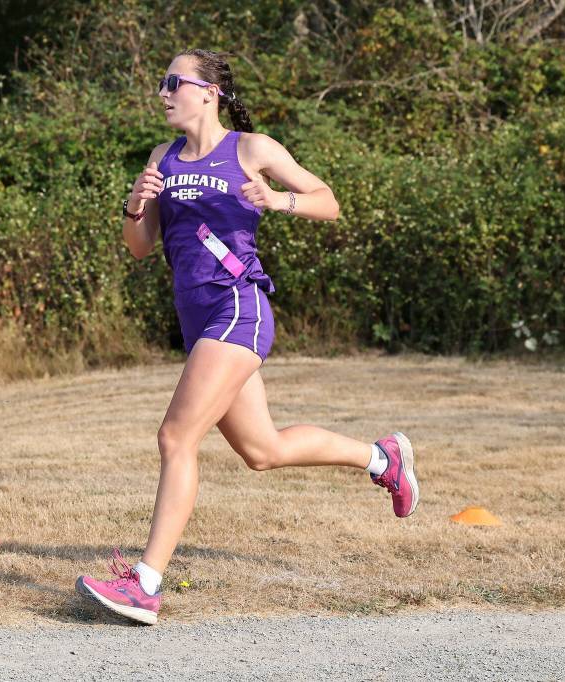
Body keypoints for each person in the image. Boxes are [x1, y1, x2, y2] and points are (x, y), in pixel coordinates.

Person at [75, 49, 419, 625]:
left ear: (208, 92)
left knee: (175, 437)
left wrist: (277, 199)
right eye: (162, 83)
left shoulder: (251, 149)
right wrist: (135, 204)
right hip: (196, 319)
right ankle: (381, 457)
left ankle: (146, 585)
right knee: (263, 451)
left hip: (236, 306)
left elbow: (328, 202)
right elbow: (140, 247)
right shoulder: (162, 157)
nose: (163, 93)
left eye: (173, 82)